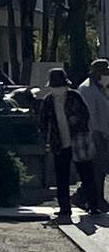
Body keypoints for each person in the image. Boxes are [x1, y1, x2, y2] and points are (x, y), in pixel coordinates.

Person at [38, 68, 100, 220]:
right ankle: (64, 207)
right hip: (59, 143)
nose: (58, 90)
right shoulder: (48, 101)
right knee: (61, 177)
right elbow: (43, 122)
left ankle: (93, 205)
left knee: (87, 174)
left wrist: (75, 120)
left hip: (78, 141)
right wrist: (46, 139)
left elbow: (85, 115)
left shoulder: (75, 97)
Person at [77, 58, 109, 213]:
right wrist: (97, 135)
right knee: (96, 169)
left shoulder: (100, 88)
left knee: (101, 170)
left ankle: (96, 197)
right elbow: (89, 115)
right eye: (104, 71)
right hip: (94, 134)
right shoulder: (87, 89)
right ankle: (89, 198)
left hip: (102, 134)